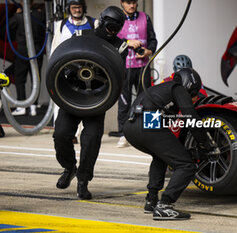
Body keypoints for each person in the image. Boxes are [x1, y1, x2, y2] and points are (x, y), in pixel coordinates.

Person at [123, 68, 219, 220]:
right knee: (186, 166)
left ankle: (151, 200)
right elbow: (191, 117)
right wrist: (206, 144)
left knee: (160, 156)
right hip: (146, 124)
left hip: (130, 127)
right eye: (193, 93)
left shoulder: (158, 89)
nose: (193, 97)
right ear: (190, 86)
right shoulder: (177, 88)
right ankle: (165, 205)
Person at [53, 6, 127, 200]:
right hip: (72, 93)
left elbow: (119, 74)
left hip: (97, 98)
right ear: (102, 21)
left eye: (116, 28)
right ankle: (69, 168)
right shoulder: (81, 34)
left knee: (91, 140)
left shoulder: (121, 46)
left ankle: (83, 181)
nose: (112, 31)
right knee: (61, 134)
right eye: (110, 26)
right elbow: (64, 56)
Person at [51, 0, 98, 144]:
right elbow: (55, 47)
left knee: (85, 102)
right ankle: (65, 132)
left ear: (83, 8)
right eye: (73, 7)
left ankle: (80, 134)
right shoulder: (62, 25)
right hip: (66, 71)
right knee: (62, 102)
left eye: (78, 7)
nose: (76, 10)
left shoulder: (93, 23)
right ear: (69, 9)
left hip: (88, 71)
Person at [116, 0, 157, 148]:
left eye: (134, 2)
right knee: (124, 102)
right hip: (124, 67)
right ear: (122, 3)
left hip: (143, 66)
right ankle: (123, 134)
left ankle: (148, 134)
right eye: (128, 2)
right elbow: (111, 40)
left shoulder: (145, 17)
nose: (132, 5)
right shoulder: (116, 17)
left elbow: (153, 39)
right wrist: (127, 42)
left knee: (147, 100)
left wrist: (149, 51)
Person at [9, 0, 45, 116]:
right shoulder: (39, 15)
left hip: (23, 51)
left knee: (20, 79)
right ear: (32, 2)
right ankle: (33, 106)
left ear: (22, 2)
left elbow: (8, 29)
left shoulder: (18, 16)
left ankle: (21, 106)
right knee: (36, 79)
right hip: (37, 50)